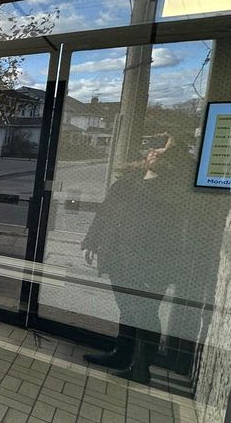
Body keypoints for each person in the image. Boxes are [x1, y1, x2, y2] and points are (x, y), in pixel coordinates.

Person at [80, 135, 190, 384]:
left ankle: (141, 367)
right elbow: (105, 212)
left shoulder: (173, 191)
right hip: (118, 256)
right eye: (155, 149)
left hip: (152, 263)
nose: (155, 152)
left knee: (145, 313)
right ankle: (122, 354)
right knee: (128, 309)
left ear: (173, 160)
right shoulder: (128, 181)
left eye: (164, 150)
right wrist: (92, 242)